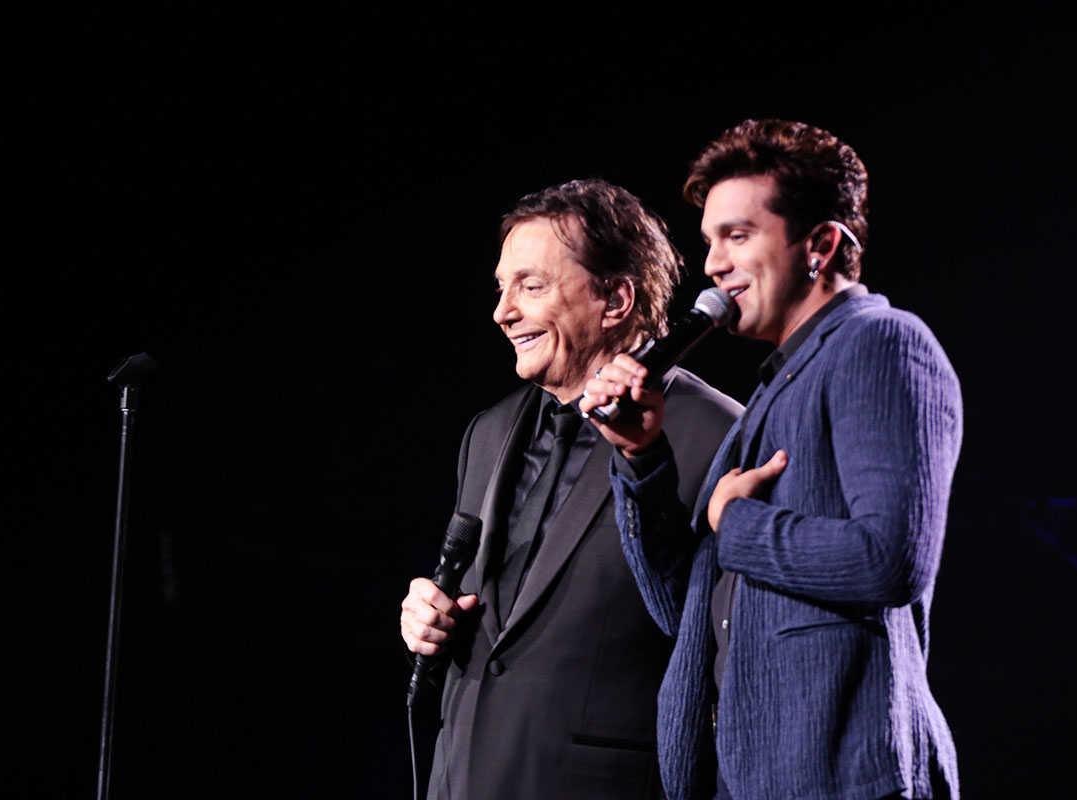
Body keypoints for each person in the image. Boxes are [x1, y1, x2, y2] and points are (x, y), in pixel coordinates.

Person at [580, 119, 963, 800]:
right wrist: (642, 457)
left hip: (844, 781)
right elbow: (683, 611)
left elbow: (892, 559)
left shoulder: (880, 343)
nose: (714, 264)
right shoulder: (773, 388)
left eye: (739, 235)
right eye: (710, 240)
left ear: (821, 245)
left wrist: (737, 524)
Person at [399, 178, 743, 800]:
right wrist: (430, 623)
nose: (503, 311)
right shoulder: (488, 432)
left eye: (531, 286)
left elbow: (722, 646)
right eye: (501, 288)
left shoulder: (718, 435)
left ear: (615, 299)